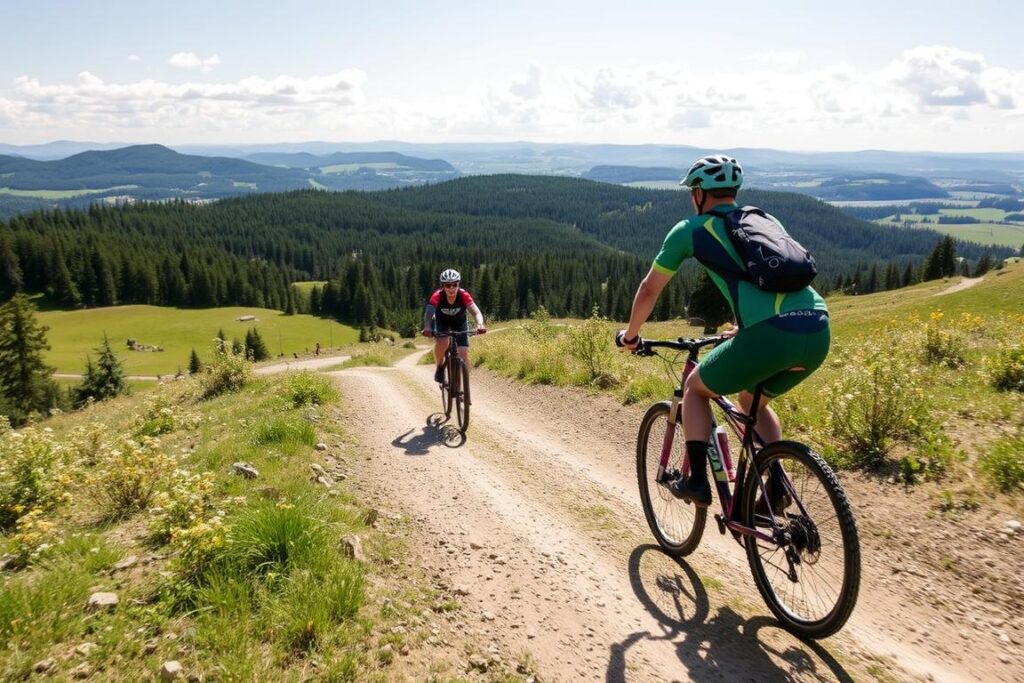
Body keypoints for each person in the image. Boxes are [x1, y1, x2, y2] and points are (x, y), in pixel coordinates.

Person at [617, 154, 830, 508]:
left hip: (770, 335)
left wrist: (631, 335)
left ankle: (696, 481)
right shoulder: (763, 220)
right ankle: (777, 487)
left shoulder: (690, 230)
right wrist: (744, 327)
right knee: (751, 400)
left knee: (695, 390)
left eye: (692, 192)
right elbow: (763, 278)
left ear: (699, 193)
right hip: (818, 328)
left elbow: (649, 289)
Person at [423, 268, 487, 383]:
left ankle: (464, 383)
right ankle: (440, 367)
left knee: (463, 352)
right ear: (443, 286)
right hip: (442, 321)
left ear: (458, 284)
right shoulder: (437, 295)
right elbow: (429, 312)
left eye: (454, 284)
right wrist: (427, 326)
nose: (451, 288)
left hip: (459, 322)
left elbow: (476, 312)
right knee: (442, 342)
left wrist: (480, 324)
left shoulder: (463, 295)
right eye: (447, 285)